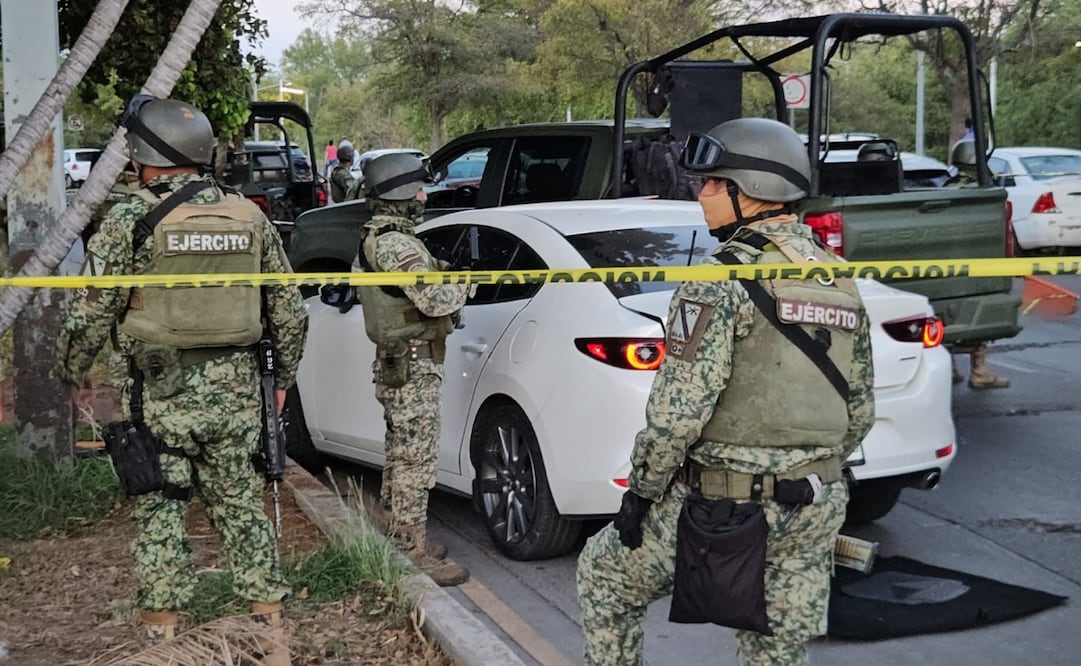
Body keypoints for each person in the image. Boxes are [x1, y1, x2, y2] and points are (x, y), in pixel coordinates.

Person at [576, 118, 876, 665]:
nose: (702, 194)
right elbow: (859, 409)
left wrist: (641, 494)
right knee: (775, 648)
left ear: (752, 193)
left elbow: (678, 412)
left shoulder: (720, 277)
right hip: (817, 500)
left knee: (603, 577)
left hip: (726, 507)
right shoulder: (837, 277)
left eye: (716, 184)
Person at [56, 95, 307, 664]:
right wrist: (283, 377)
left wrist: (72, 371)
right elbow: (288, 310)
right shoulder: (249, 216)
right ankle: (270, 635)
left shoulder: (129, 220)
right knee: (241, 506)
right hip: (239, 396)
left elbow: (93, 309)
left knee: (161, 510)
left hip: (160, 393)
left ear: (147, 154)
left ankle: (162, 640)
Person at [355, 152, 469, 586]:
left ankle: (397, 531)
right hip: (413, 363)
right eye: (419, 187)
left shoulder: (384, 237)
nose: (424, 195)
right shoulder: (395, 243)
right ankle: (411, 547)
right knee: (415, 459)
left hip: (401, 360)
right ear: (401, 192)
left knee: (400, 452)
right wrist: (465, 282)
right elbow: (433, 300)